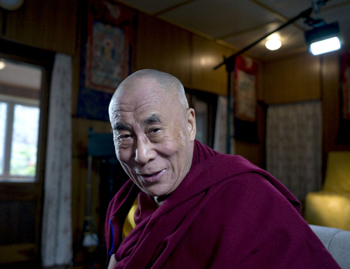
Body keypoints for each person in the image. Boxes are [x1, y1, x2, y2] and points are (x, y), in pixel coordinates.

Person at [104, 69, 339, 268]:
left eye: (154, 130)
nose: (142, 155)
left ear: (190, 125)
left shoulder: (246, 192)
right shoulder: (129, 201)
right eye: (124, 135)